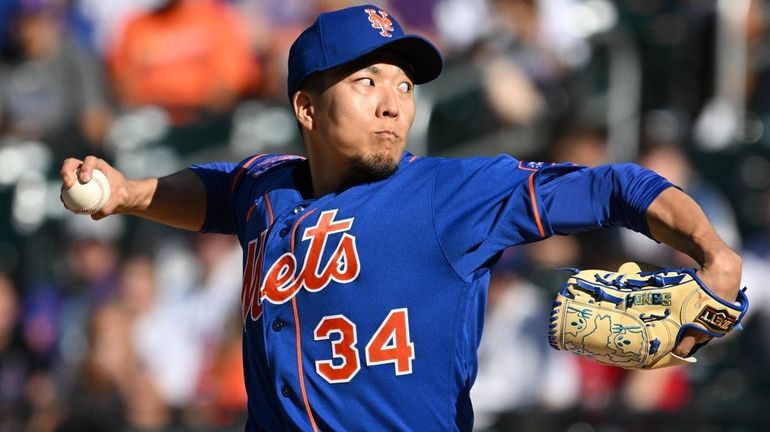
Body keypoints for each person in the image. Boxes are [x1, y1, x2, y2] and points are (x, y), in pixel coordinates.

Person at [59, 4, 743, 431]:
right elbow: (210, 191)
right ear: (306, 108)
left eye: (404, 85)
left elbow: (616, 186)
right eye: (366, 82)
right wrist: (129, 193)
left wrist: (713, 251)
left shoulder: (454, 194)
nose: (393, 103)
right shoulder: (265, 188)